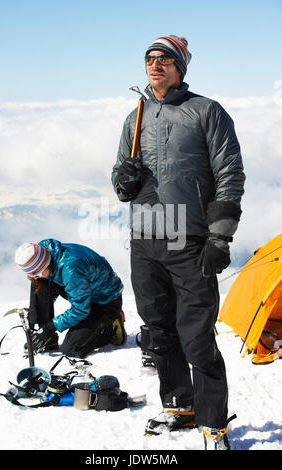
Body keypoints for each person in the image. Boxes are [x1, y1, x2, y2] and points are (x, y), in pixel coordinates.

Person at [112, 35, 245, 450]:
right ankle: (179, 405)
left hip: (190, 239)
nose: (155, 65)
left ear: (181, 67)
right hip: (144, 239)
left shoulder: (207, 111)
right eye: (150, 59)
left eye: (165, 59)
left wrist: (220, 237)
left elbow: (230, 176)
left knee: (197, 336)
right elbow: (119, 176)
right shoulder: (134, 118)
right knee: (158, 330)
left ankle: (214, 424)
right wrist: (123, 179)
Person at [14, 239, 126, 358]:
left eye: (36, 273)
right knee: (39, 284)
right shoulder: (43, 253)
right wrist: (35, 316)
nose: (35, 277)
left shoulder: (71, 270)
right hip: (85, 291)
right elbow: (47, 287)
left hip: (105, 301)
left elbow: (81, 309)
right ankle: (47, 338)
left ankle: (109, 326)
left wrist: (51, 327)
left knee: (71, 348)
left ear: (45, 264)